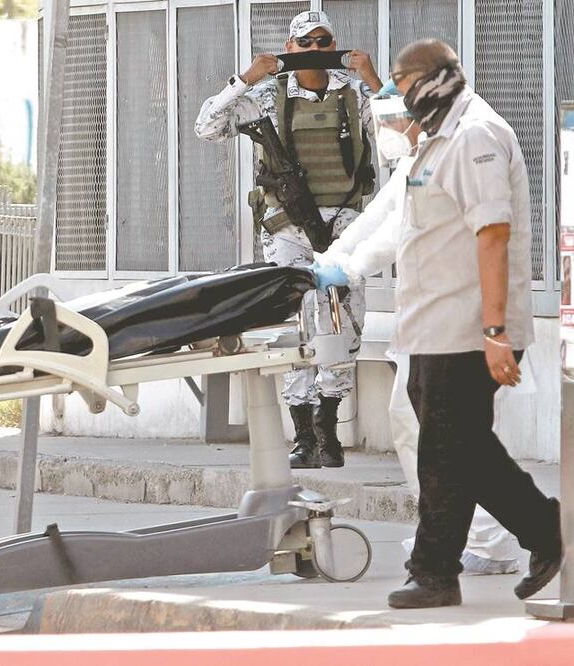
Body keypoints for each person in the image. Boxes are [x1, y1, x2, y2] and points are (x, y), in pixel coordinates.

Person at [373, 39, 561, 608]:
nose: (397, 97)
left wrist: (495, 330)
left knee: (445, 453)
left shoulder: (475, 135)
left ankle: (433, 571)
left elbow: (493, 234)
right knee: (459, 450)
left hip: (469, 329)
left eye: (402, 82)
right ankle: (551, 533)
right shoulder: (437, 135)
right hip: (433, 328)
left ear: (432, 79)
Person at [317, 81, 522, 577]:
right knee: (415, 424)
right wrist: (335, 251)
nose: (387, 133)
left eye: (390, 122)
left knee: (449, 432)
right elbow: (383, 209)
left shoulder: (470, 142)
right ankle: (458, 531)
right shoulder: (428, 145)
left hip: (460, 317)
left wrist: (353, 267)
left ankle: (489, 541)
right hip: (432, 316)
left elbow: (401, 227)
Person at [195, 10, 382, 470]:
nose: (315, 50)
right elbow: (207, 126)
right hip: (287, 227)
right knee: (296, 323)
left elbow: (408, 130)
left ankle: (329, 428)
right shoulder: (266, 94)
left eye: (324, 41)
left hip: (345, 226)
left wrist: (372, 77)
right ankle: (302, 436)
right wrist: (244, 77)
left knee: (342, 322)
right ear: (290, 47)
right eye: (305, 43)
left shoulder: (354, 92)